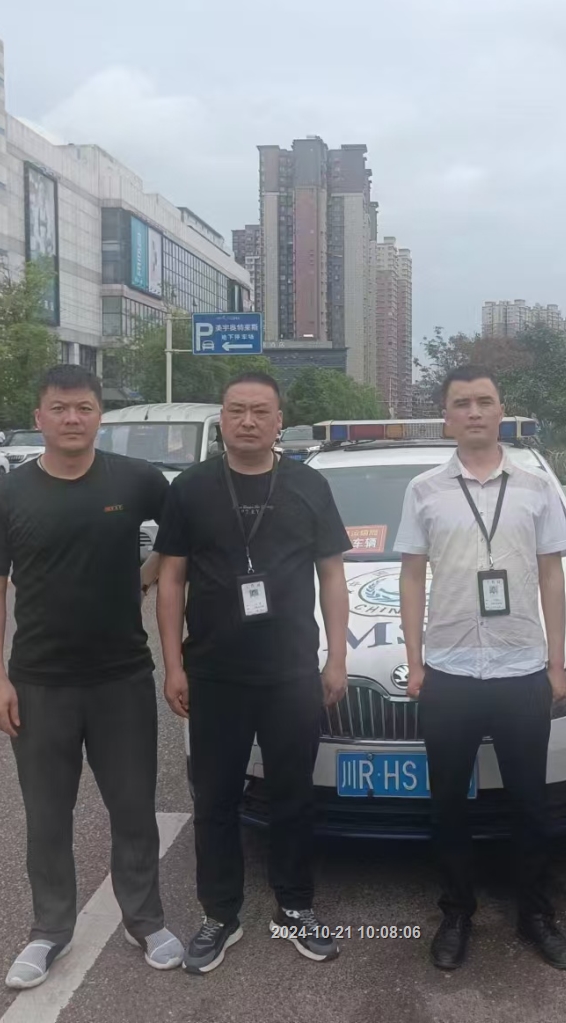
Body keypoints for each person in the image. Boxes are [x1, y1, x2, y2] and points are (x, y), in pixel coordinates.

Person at [0, 365, 180, 991]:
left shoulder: (135, 480)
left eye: (83, 408)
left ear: (99, 415)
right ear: (39, 418)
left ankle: (146, 920)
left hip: (121, 678)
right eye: (59, 408)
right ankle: (49, 930)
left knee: (133, 809)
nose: (72, 419)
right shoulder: (8, 495)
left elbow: (183, 540)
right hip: (39, 682)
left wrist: (146, 576)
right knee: (47, 815)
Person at [155, 371, 351, 975]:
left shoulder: (309, 485)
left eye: (260, 411)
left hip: (291, 672)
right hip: (214, 672)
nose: (247, 421)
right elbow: (171, 579)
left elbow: (332, 575)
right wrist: (173, 664)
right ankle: (220, 915)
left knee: (293, 796)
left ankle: (296, 907)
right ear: (221, 419)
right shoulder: (191, 488)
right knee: (215, 799)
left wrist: (336, 658)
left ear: (278, 421)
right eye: (236, 410)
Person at [396, 365, 566, 973]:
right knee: (448, 803)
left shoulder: (535, 487)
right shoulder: (424, 489)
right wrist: (415, 662)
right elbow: (411, 575)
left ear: (501, 411)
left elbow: (552, 575)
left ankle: (535, 915)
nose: (473, 412)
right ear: (446, 417)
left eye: (484, 401)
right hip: (448, 670)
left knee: (529, 802)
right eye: (461, 403)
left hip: (521, 668)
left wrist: (556, 664)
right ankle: (456, 913)